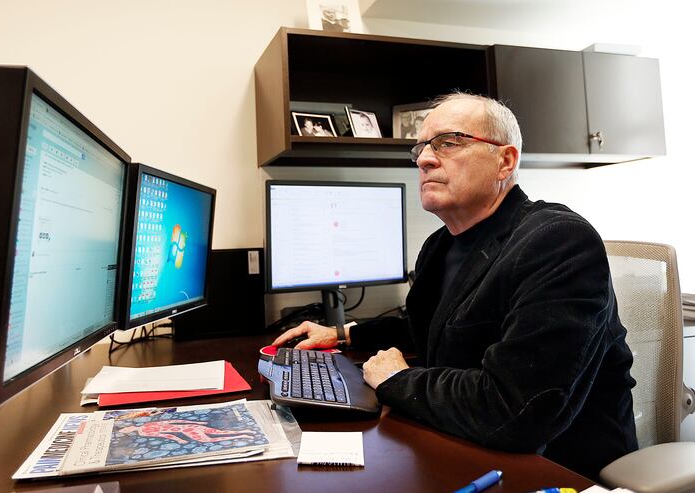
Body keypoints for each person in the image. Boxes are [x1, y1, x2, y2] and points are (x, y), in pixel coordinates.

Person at [272, 92, 638, 480]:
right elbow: (428, 328)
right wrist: (343, 333)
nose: (425, 159)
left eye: (449, 142)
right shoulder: (441, 245)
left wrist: (399, 380)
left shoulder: (558, 241)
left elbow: (516, 409)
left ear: (505, 161)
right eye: (421, 148)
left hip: (557, 468)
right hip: (469, 443)